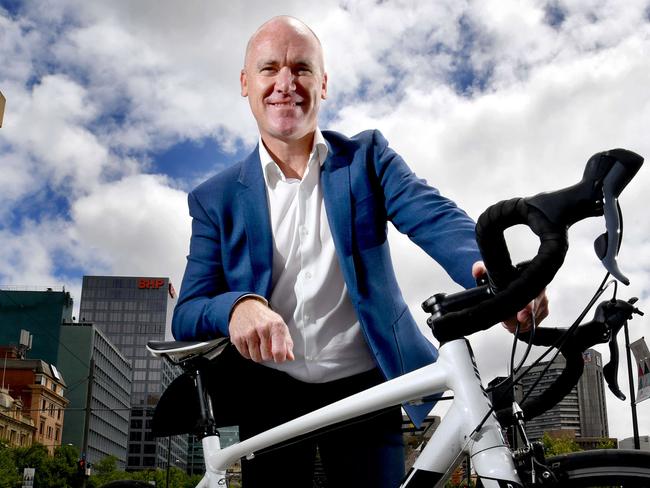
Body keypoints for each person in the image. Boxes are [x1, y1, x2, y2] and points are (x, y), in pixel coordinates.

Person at [172, 15, 548, 487]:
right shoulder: (215, 198)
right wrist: (238, 307)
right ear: (246, 83)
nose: (285, 84)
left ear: (322, 83)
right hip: (268, 395)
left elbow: (431, 214)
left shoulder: (367, 158)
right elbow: (188, 309)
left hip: (365, 389)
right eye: (269, 69)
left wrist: (496, 275)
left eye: (302, 69)